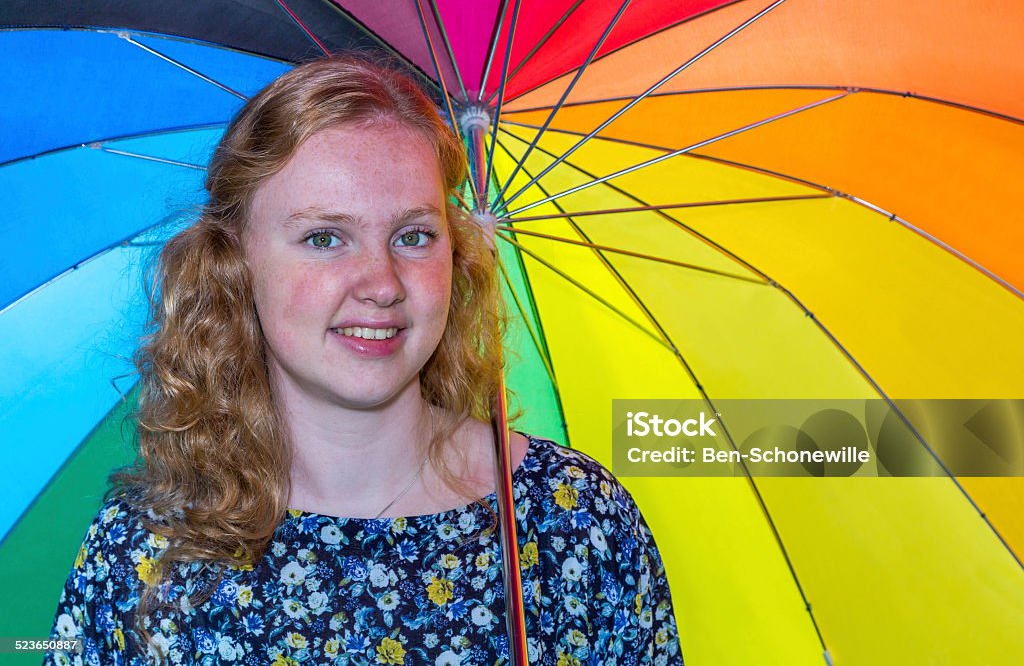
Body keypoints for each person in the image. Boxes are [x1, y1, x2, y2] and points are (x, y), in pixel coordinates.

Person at [43, 55, 683, 666]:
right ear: (236, 259)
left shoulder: (575, 522)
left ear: (456, 253)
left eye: (413, 236)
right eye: (324, 238)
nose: (381, 282)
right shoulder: (148, 552)